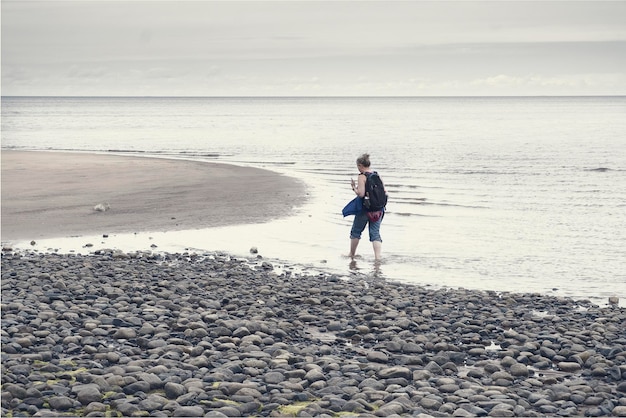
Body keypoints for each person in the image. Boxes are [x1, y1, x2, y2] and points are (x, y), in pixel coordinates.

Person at [348, 153, 386, 261]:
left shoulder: (362, 176)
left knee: (356, 231)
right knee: (375, 233)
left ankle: (352, 254)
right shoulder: (377, 175)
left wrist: (353, 188)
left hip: (365, 209)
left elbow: (361, 193)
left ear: (360, 165)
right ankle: (377, 258)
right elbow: (384, 191)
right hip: (378, 209)